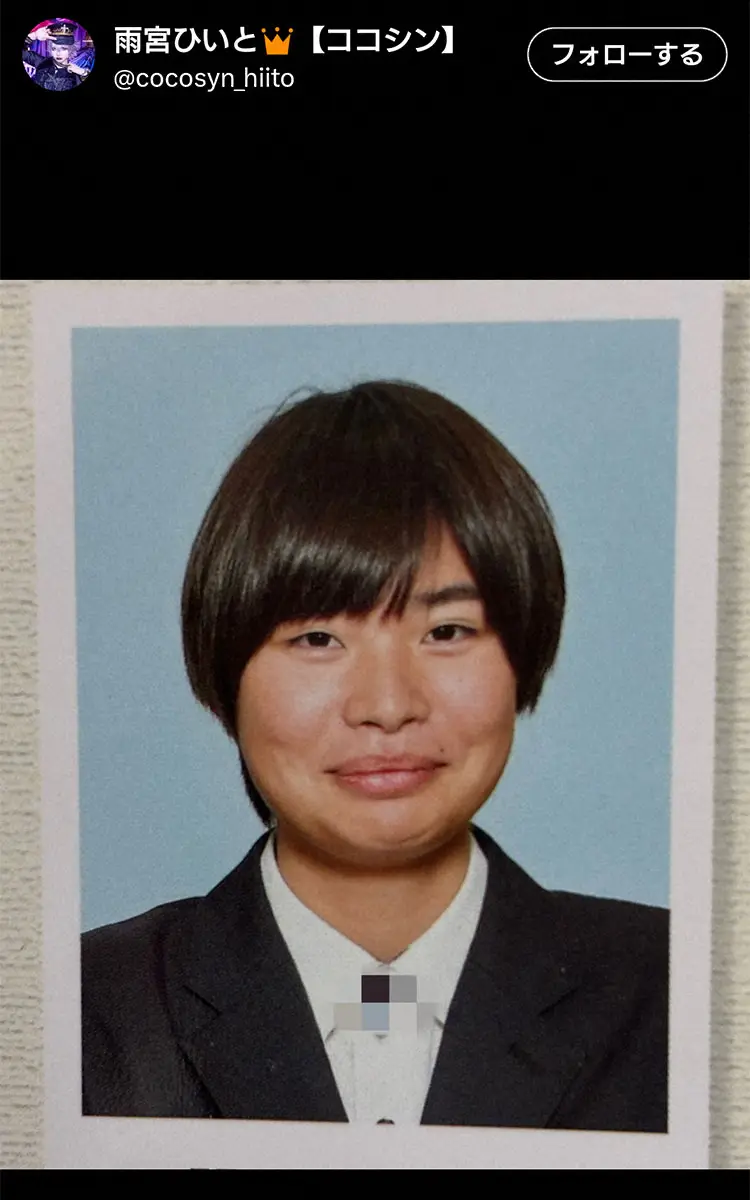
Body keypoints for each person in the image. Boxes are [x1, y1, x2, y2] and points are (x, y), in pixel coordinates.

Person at [81, 381, 668, 1130]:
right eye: (317, 638)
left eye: (446, 632)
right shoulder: (81, 1011)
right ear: (225, 676)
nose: (388, 706)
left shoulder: (684, 993)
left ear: (523, 655)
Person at [23, 22, 90, 91]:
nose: (58, 53)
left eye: (63, 48)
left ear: (71, 50)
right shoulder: (41, 62)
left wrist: (84, 73)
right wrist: (34, 35)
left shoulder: (75, 74)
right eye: (54, 48)